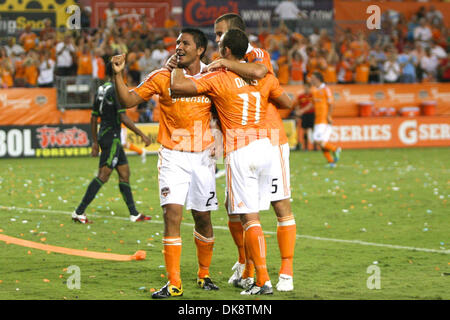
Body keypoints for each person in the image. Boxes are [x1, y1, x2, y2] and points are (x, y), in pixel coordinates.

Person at [171, 29, 292, 295]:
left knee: (249, 217)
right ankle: (256, 273)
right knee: (262, 212)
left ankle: (263, 279)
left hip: (241, 149)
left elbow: (178, 88)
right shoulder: (260, 73)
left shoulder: (218, 78)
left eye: (219, 45)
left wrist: (177, 65)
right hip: (266, 146)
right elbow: (283, 99)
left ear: (225, 52)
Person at [111, 28, 220, 299]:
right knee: (172, 216)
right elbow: (128, 100)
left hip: (204, 157)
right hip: (172, 156)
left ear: (200, 50)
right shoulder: (161, 76)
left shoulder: (213, 76)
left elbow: (224, 109)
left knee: (202, 218)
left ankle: (204, 274)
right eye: (177, 42)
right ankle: (174, 284)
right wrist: (117, 74)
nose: (179, 47)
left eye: (186, 43)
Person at [208, 13, 297, 292]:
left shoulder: (257, 54)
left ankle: (285, 271)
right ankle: (246, 265)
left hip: (270, 138)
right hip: (237, 139)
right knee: (235, 208)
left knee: (279, 203)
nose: (216, 38)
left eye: (220, 33)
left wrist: (225, 62)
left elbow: (260, 74)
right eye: (215, 33)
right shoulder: (222, 57)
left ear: (235, 32)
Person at [72, 62, 151, 224]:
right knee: (104, 175)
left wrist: (95, 142)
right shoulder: (116, 90)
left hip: (105, 135)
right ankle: (78, 212)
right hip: (112, 138)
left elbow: (94, 117)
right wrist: (142, 134)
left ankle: (134, 214)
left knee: (124, 173)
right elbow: (123, 117)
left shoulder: (102, 89)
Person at [310, 72, 341, 168]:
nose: (311, 80)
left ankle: (335, 149)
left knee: (317, 141)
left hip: (323, 119)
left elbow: (331, 103)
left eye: (313, 78)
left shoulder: (326, 89)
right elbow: (313, 104)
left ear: (318, 79)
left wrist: (329, 116)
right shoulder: (314, 91)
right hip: (317, 119)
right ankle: (331, 162)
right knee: (322, 142)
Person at [293, 82, 315, 151]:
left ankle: (315, 147)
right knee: (305, 131)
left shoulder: (313, 95)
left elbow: (314, 105)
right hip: (304, 115)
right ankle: (306, 147)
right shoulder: (301, 96)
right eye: (305, 88)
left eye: (307, 88)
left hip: (312, 114)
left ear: (309, 88)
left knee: (313, 130)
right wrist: (297, 113)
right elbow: (297, 105)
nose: (306, 89)